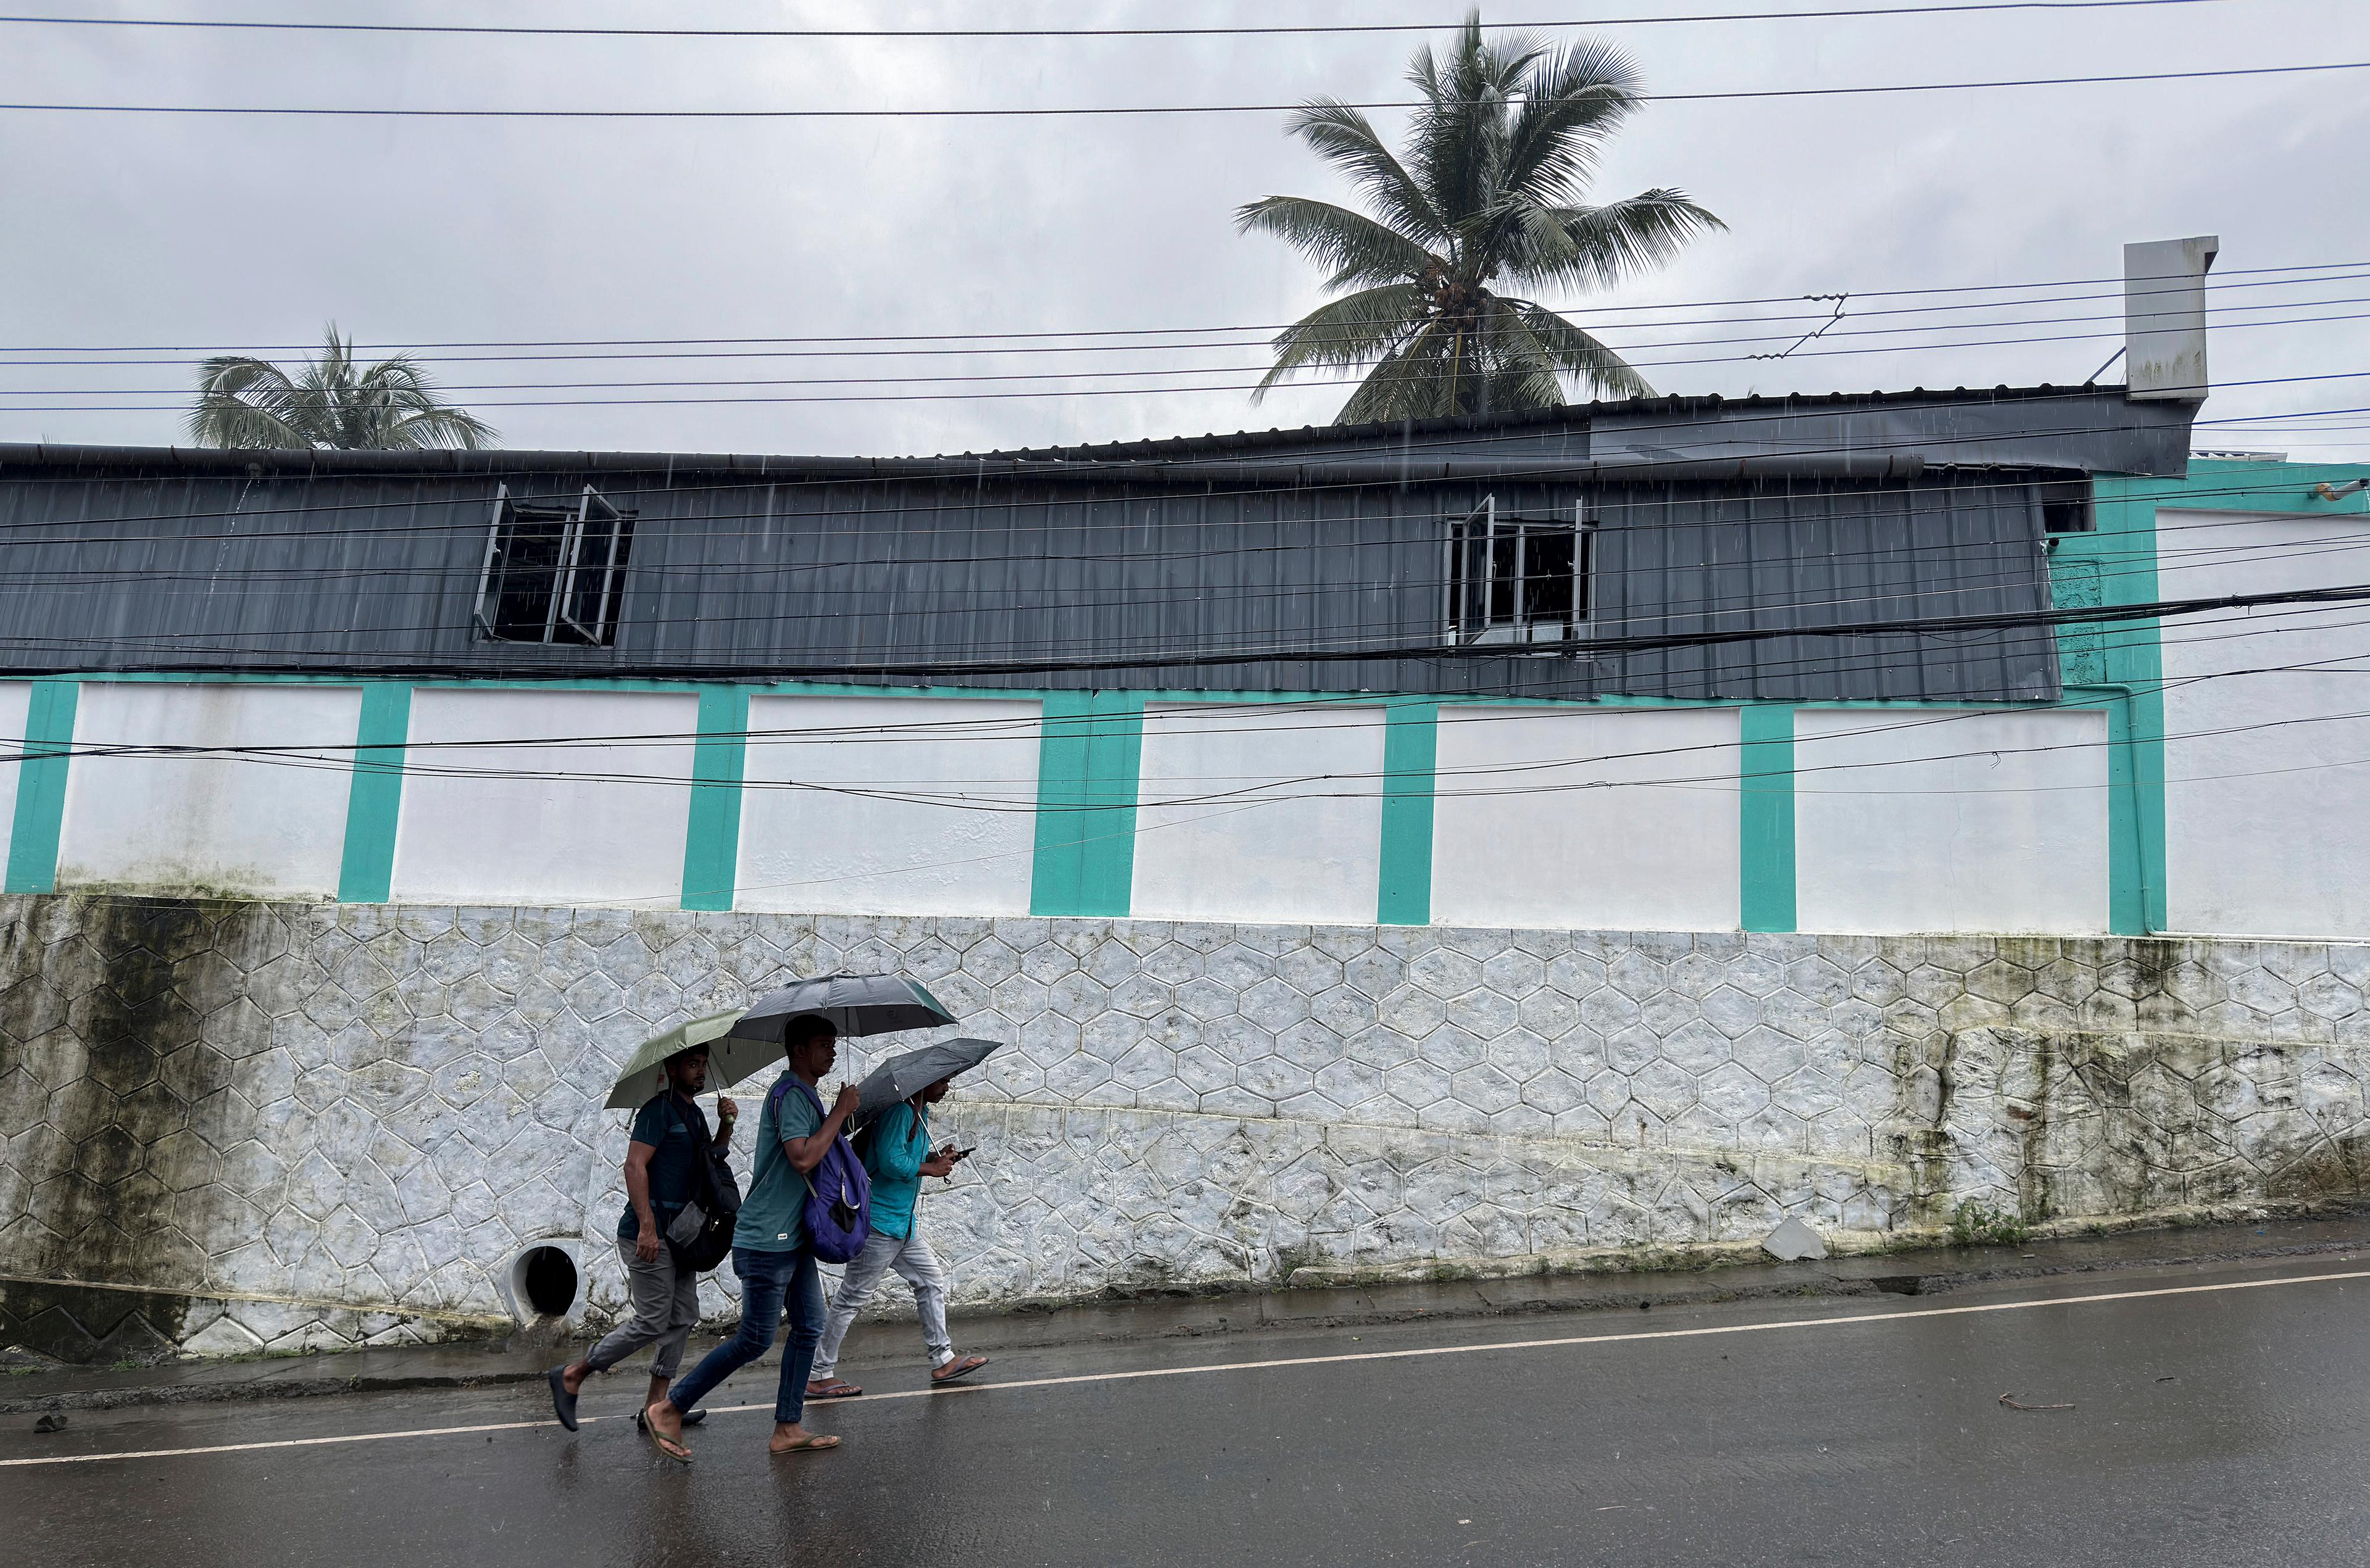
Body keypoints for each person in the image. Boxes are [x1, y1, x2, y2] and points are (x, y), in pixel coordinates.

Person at [642, 1014, 858, 1462]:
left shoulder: (806, 1096)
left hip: (791, 1236)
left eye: (834, 1043)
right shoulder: (791, 1094)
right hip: (767, 1238)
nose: (832, 1051)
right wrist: (839, 1112)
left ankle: (787, 1426)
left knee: (810, 1325)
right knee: (755, 1338)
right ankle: (669, 1407)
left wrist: (841, 1116)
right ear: (798, 1049)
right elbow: (801, 1158)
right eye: (823, 1043)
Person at [547, 1043, 735, 1433]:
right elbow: (635, 1166)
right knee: (653, 1320)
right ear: (672, 1068)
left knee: (683, 1317)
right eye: (692, 1064)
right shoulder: (657, 1111)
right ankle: (573, 1374)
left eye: (703, 1065)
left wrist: (726, 1125)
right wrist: (648, 1227)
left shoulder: (695, 1114)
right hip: (648, 1235)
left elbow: (709, 1158)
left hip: (681, 1236)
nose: (700, 1071)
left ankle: (657, 1406)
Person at [805, 1074, 987, 1398]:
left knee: (930, 1281)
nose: (947, 1087)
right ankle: (819, 1371)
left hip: (903, 1225)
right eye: (943, 1081)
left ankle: (943, 1359)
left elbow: (901, 1157)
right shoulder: (901, 1112)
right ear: (925, 1081)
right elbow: (890, 1162)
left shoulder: (920, 1113)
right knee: (852, 1298)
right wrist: (930, 1169)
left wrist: (934, 1159)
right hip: (880, 1222)